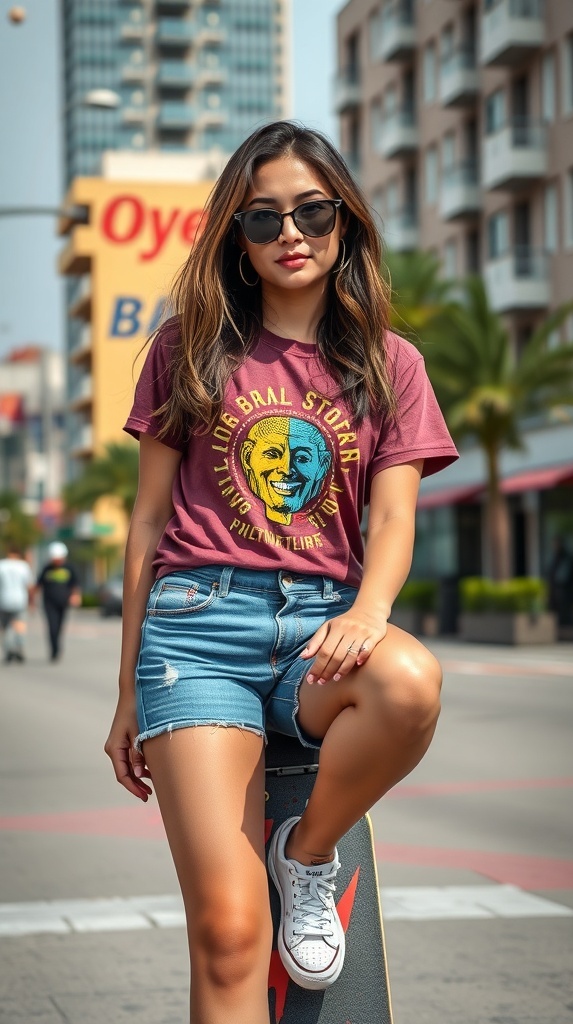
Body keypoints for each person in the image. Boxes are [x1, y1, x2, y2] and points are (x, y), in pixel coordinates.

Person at [104, 121, 459, 1023]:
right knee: (228, 933)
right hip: (197, 633)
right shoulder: (190, 344)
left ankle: (306, 855)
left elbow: (391, 517)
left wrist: (370, 612)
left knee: (412, 682)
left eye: (312, 211)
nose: (291, 233)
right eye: (264, 219)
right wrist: (125, 695)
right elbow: (147, 520)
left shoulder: (390, 363)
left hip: (321, 631)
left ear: (345, 223)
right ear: (237, 235)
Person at [35, 542, 81, 661]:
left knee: (59, 627)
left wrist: (75, 596)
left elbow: (75, 584)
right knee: (52, 627)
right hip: (49, 603)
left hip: (63, 603)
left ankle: (57, 647)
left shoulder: (69, 568)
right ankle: (54, 650)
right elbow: (38, 584)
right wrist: (30, 600)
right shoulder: (47, 568)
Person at [0, 544, 33, 663]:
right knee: (20, 625)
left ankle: (9, 649)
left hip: (4, 599)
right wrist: (31, 601)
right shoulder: (23, 566)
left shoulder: (2, 565)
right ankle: (19, 647)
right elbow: (29, 585)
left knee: (6, 626)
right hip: (20, 599)